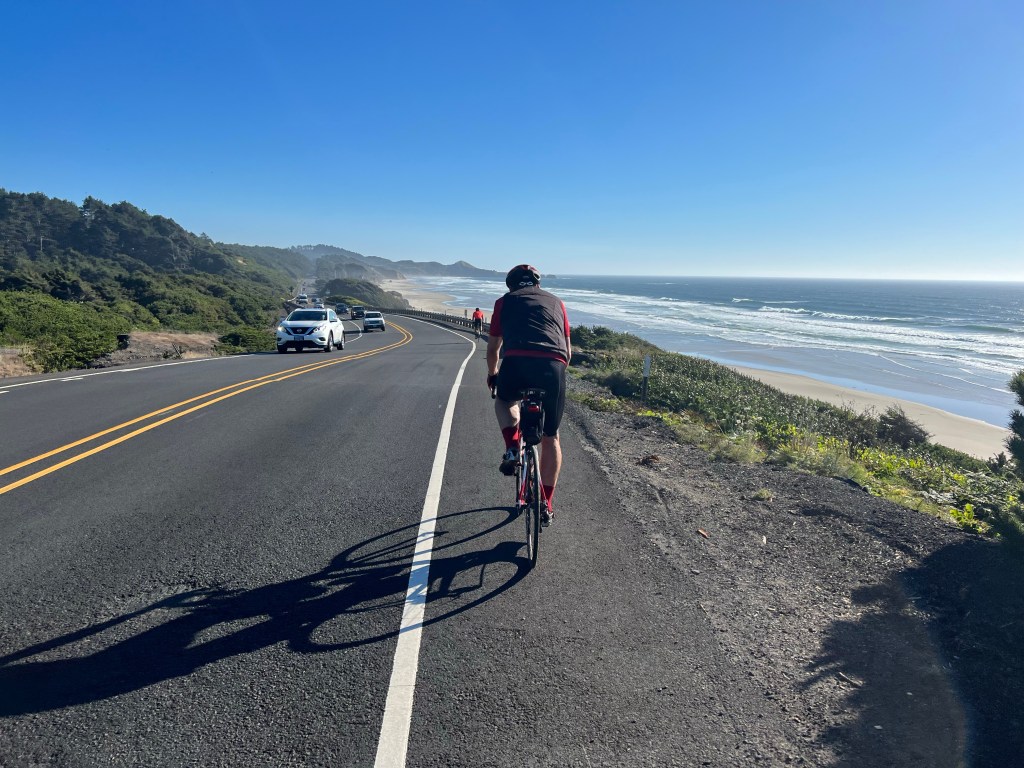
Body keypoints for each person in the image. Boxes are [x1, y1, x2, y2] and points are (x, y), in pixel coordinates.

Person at [486, 265, 571, 526]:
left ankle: (513, 448)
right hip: (553, 366)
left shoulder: (504, 302)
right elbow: (568, 352)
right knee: (551, 437)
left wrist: (493, 374)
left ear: (511, 285)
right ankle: (546, 504)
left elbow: (493, 348)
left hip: (516, 363)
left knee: (504, 400)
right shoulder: (557, 303)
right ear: (537, 284)